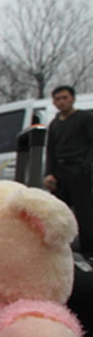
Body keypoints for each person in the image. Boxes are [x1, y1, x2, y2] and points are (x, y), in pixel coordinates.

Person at [44, 85, 93, 256]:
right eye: (58, 99)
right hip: (60, 173)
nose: (62, 102)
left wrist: (86, 167)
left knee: (84, 213)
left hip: (79, 171)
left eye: (65, 98)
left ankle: (89, 251)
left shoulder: (84, 118)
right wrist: (48, 173)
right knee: (59, 214)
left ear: (72, 99)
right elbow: (50, 150)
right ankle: (62, 251)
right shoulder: (55, 124)